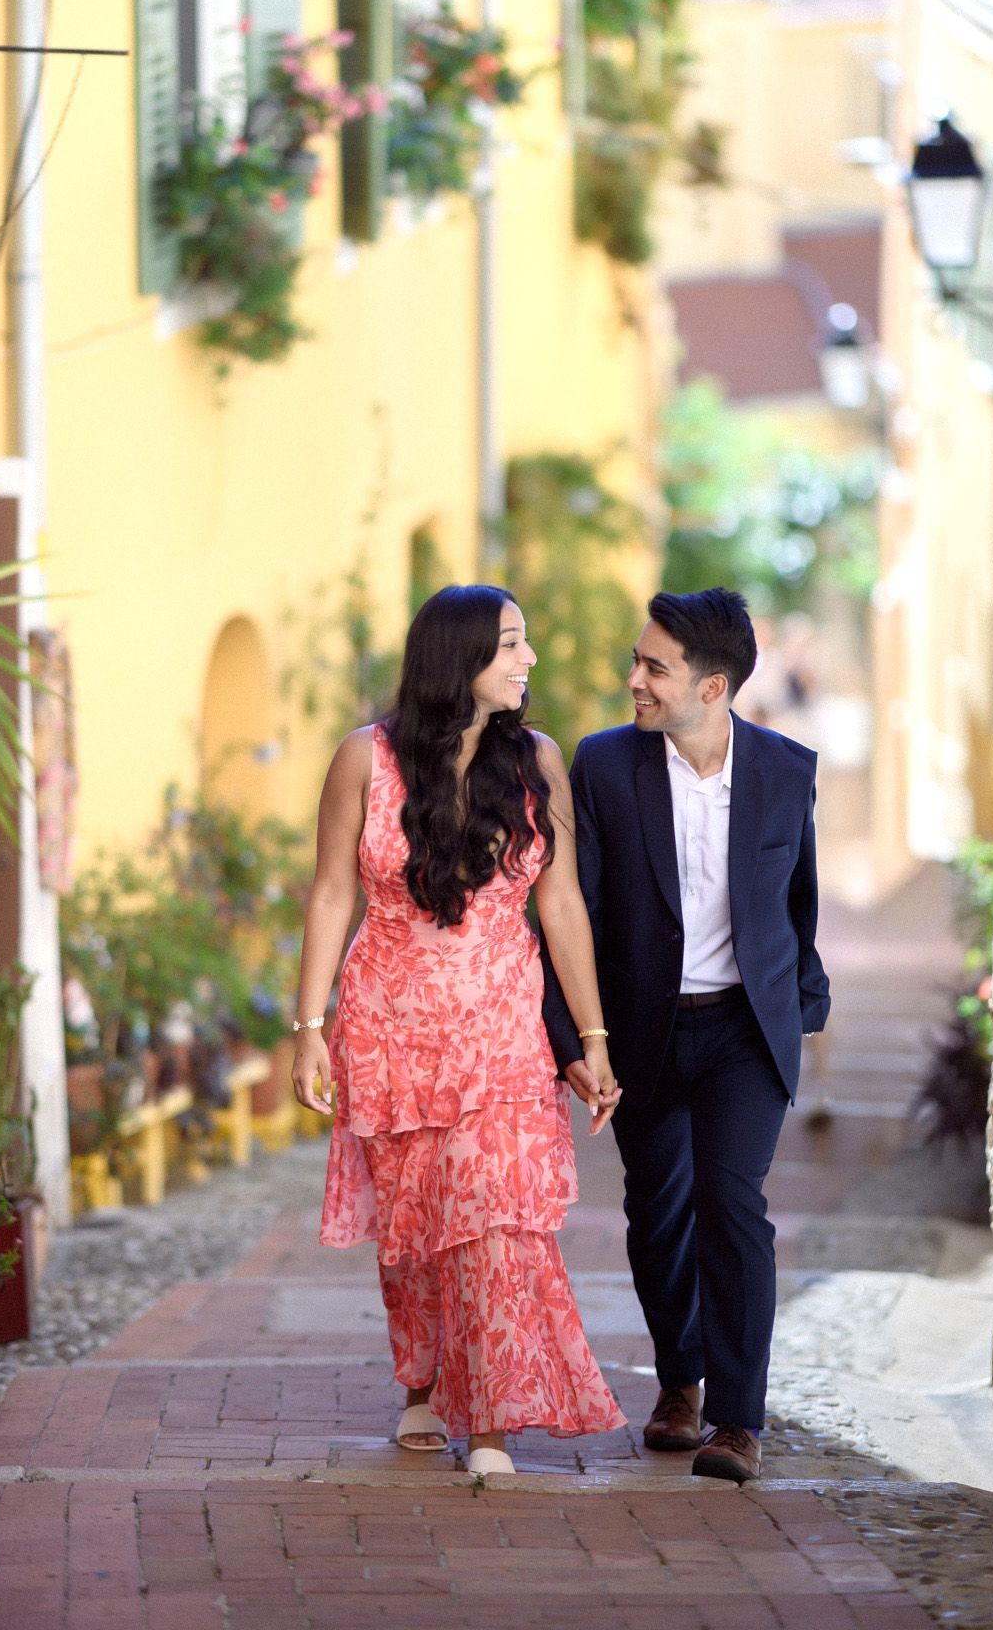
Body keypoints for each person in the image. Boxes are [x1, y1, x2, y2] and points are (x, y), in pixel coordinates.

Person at [291, 584, 625, 1476]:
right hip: (388, 1026)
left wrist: (589, 1041)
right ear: (458, 659)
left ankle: (489, 1422)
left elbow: (560, 906)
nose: (529, 662)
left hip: (502, 1031)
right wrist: (307, 1025)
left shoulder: (537, 761)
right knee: (412, 1230)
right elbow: (331, 891)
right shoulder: (364, 759)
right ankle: (421, 1384)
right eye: (511, 644)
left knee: (494, 1222)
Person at [543, 586, 830, 1484]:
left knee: (731, 1203)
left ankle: (738, 1419)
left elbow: (795, 899)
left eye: (651, 667)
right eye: (637, 660)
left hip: (747, 1029)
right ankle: (679, 1382)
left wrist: (804, 1000)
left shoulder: (785, 770)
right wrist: (572, 1037)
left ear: (712, 688)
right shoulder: (603, 767)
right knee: (655, 1210)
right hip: (642, 1028)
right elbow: (572, 910)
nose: (633, 679)